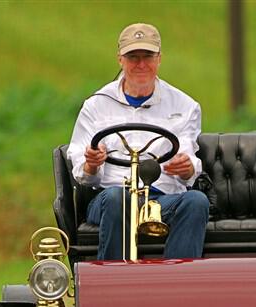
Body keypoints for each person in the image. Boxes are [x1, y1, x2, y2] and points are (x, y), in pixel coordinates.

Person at [67, 22, 209, 261]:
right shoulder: (96, 105)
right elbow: (84, 175)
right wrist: (92, 162)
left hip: (162, 198)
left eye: (148, 56)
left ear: (159, 59)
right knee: (118, 198)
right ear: (120, 60)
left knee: (196, 201)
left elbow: (188, 160)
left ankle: (177, 284)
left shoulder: (185, 106)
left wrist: (186, 168)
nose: (141, 64)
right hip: (109, 197)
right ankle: (113, 285)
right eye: (133, 57)